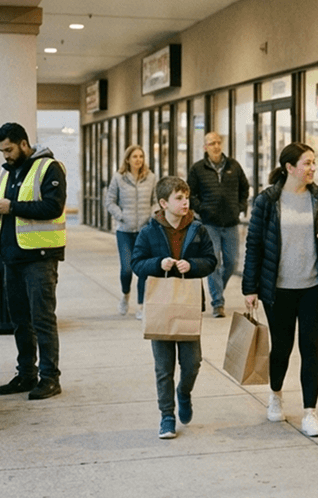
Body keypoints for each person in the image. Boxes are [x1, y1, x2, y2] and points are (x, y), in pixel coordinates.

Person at [242, 142, 318, 437]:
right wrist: (250, 287)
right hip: (279, 289)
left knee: (311, 348)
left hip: (314, 286)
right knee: (282, 348)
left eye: (314, 163)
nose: (313, 168)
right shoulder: (267, 201)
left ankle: (310, 413)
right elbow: (254, 245)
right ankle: (275, 395)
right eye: (307, 163)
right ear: (289, 168)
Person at [0, 122, 67, 400]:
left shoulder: (50, 168)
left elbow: (53, 207)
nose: (5, 155)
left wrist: (12, 207)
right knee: (19, 321)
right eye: (1, 150)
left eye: (8, 149)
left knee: (42, 319)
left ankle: (49, 378)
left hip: (40, 257)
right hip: (11, 255)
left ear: (23, 144)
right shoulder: (6, 171)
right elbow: (2, 208)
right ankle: (26, 374)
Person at [131, 176, 217, 439]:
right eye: (179, 198)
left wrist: (192, 266)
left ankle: (184, 393)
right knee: (163, 367)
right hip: (160, 306)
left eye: (186, 198)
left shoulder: (198, 229)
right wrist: (159, 263)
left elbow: (211, 261)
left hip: (188, 303)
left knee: (192, 363)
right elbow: (137, 263)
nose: (185, 203)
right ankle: (166, 416)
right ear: (163, 203)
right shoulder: (149, 231)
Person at [187, 132, 250, 318]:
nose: (216, 146)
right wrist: (202, 209)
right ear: (205, 147)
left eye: (218, 142)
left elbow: (245, 188)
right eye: (211, 143)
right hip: (209, 224)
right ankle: (218, 302)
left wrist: (240, 207)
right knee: (213, 262)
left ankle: (217, 290)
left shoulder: (234, 166)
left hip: (230, 223)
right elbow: (191, 194)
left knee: (231, 262)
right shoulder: (198, 169)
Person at [105, 145, 157, 319]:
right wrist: (121, 216)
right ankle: (125, 295)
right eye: (134, 156)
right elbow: (109, 202)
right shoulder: (119, 178)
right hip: (124, 231)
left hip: (144, 232)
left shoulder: (151, 178)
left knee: (143, 270)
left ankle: (141, 306)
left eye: (141, 156)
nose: (138, 160)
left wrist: (151, 217)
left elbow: (156, 201)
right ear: (127, 159)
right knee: (127, 269)